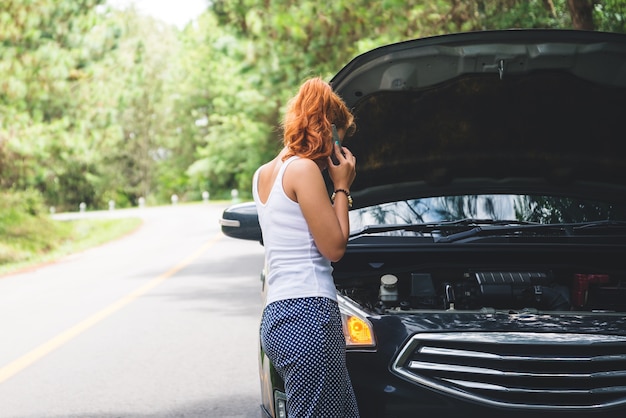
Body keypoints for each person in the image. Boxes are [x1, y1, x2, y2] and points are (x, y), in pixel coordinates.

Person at [252, 77, 360, 417]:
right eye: (337, 133)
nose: (337, 144)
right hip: (308, 316)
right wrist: (341, 186)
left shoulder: (263, 174)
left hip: (277, 316)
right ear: (326, 127)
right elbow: (334, 247)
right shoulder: (302, 170)